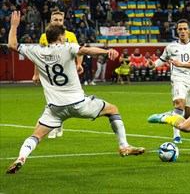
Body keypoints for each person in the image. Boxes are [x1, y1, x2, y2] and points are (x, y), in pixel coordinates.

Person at [6, 11, 145, 174]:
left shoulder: (37, 51)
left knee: (37, 135)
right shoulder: (67, 48)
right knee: (113, 110)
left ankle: (21, 157)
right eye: (64, 36)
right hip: (78, 103)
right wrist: (106, 52)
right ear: (59, 37)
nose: (65, 38)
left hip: (55, 108)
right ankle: (124, 146)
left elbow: (12, 45)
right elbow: (86, 51)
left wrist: (14, 26)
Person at [146, 19, 190, 143]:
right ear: (177, 31)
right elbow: (162, 60)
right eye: (180, 29)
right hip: (178, 79)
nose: (182, 31)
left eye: (185, 29)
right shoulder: (171, 47)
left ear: (189, 31)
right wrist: (153, 64)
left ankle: (168, 115)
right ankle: (176, 137)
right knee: (180, 103)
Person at [34, 11, 82, 139]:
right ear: (51, 21)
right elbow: (39, 57)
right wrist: (36, 74)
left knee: (66, 101)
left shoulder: (70, 36)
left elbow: (79, 51)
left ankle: (57, 124)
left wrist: (79, 64)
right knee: (53, 100)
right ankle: (55, 125)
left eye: (60, 20)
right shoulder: (44, 37)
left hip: (67, 74)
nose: (58, 22)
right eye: (56, 20)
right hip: (51, 74)